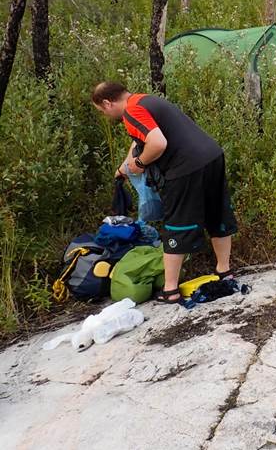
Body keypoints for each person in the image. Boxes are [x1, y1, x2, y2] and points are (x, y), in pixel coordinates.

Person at [91, 81, 238, 303]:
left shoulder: (131, 112)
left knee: (177, 223)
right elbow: (139, 143)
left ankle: (170, 290)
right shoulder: (145, 100)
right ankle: (224, 271)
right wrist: (124, 169)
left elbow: (157, 143)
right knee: (217, 215)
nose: (105, 115)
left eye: (102, 111)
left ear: (107, 103)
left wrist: (139, 164)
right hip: (212, 156)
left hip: (185, 167)